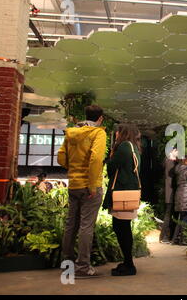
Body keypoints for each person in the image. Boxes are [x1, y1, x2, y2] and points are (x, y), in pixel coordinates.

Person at [57, 105, 107, 278]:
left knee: (71, 225)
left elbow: (61, 157)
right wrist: (92, 185)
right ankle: (83, 267)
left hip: (74, 184)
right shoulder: (98, 133)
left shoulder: (71, 132)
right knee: (86, 226)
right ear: (100, 119)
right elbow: (96, 159)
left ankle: (67, 264)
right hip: (89, 187)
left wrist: (73, 170)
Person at [103, 124, 142, 276]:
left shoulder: (125, 146)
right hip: (129, 192)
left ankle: (129, 264)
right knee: (122, 228)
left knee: (121, 228)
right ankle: (127, 262)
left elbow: (111, 168)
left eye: (117, 132)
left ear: (122, 133)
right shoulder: (134, 147)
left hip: (122, 193)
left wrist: (111, 155)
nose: (116, 135)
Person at [159, 148, 178, 244]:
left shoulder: (167, 162)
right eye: (176, 150)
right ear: (171, 152)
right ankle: (164, 237)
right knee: (168, 214)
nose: (178, 152)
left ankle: (165, 236)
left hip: (169, 192)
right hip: (170, 193)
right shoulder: (170, 163)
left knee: (169, 214)